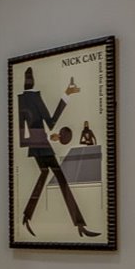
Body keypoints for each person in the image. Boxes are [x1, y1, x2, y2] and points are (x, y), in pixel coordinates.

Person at [17, 66, 98, 237]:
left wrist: (39, 138)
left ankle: (26, 216)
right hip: (43, 145)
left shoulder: (21, 99)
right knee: (60, 179)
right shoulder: (35, 98)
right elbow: (51, 121)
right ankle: (80, 225)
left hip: (35, 145)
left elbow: (22, 134)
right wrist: (66, 95)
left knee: (44, 174)